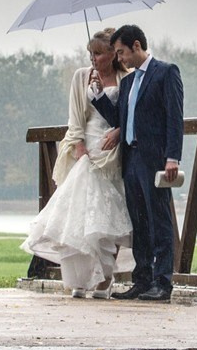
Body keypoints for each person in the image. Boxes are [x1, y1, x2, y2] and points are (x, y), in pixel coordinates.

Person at [21, 29, 133, 298]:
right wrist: (79, 147)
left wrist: (119, 132)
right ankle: (80, 278)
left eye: (98, 53)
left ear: (112, 54)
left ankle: (106, 277)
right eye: (90, 53)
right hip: (88, 148)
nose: (93, 58)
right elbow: (75, 118)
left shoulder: (127, 79)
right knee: (80, 211)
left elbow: (130, 115)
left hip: (114, 151)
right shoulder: (81, 77)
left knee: (111, 213)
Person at [92, 24, 184, 303]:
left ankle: (163, 282)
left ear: (136, 46)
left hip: (155, 159)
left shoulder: (166, 72)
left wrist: (172, 157)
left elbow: (174, 118)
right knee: (139, 223)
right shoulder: (128, 81)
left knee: (159, 221)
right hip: (130, 159)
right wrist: (98, 96)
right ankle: (141, 281)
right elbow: (118, 119)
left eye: (121, 52)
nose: (119, 58)